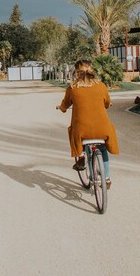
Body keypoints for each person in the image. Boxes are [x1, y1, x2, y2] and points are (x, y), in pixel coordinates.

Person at [58, 59, 119, 188]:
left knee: (75, 131)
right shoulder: (101, 86)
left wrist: (62, 108)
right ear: (91, 71)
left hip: (82, 131)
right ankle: (106, 179)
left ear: (76, 73)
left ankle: (81, 156)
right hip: (102, 130)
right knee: (102, 148)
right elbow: (107, 103)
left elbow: (65, 105)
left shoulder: (73, 88)